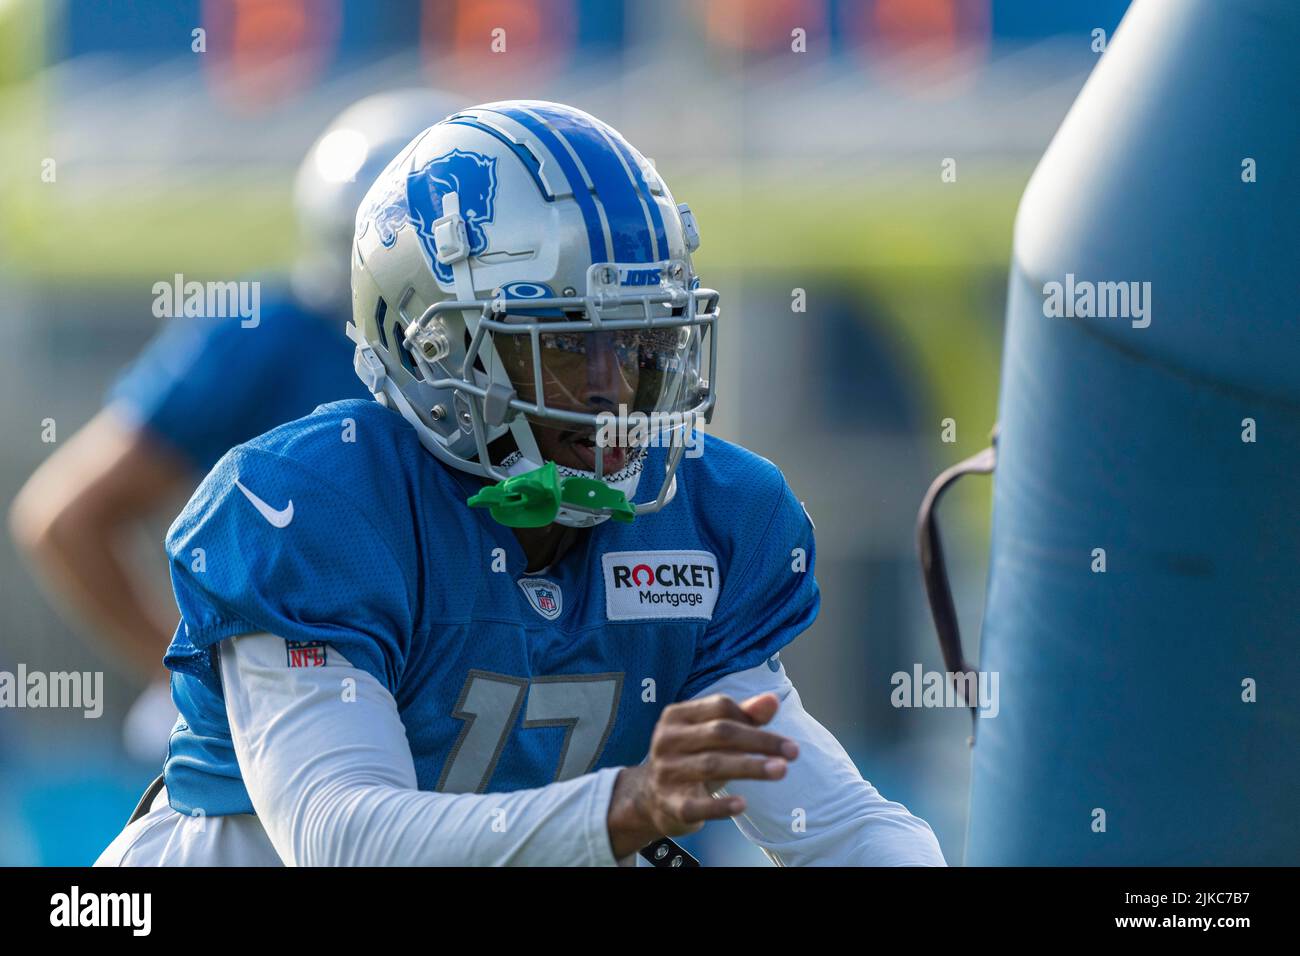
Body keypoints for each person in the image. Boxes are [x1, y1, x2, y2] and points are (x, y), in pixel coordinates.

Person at [95, 101, 945, 866]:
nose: (615, 386)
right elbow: (342, 838)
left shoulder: (709, 515)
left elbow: (841, 829)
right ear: (437, 349)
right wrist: (625, 806)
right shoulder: (315, 506)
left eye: (643, 341)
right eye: (568, 343)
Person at [8, 90, 461, 762]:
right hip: (301, 734)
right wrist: (198, 680)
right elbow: (64, 517)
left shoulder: (553, 364)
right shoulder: (268, 336)